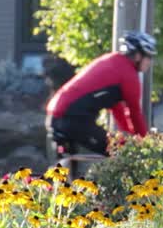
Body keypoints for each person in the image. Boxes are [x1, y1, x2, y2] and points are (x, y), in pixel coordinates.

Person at [46, 30, 155, 158]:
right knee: (121, 152)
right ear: (137, 56)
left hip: (56, 116)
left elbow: (117, 109)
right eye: (149, 57)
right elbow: (134, 114)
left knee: (68, 169)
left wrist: (129, 138)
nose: (150, 62)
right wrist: (145, 146)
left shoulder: (112, 61)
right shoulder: (129, 74)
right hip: (72, 118)